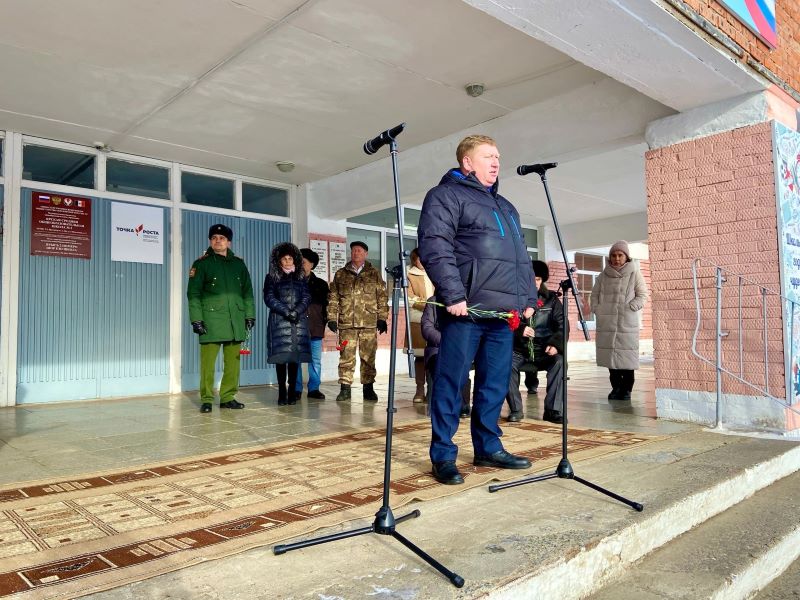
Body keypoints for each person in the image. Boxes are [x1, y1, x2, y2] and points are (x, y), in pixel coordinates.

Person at [417, 134, 537, 485]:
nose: (496, 162)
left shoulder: (507, 207)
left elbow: (520, 258)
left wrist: (528, 298)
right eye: (488, 156)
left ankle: (488, 447)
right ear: (467, 162)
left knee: (494, 384)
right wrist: (453, 294)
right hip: (464, 311)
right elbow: (434, 245)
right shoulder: (445, 196)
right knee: (451, 383)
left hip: (502, 315)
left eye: (498, 155)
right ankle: (443, 454)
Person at [187, 224, 255, 414]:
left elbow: (247, 292)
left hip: (236, 320)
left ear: (228, 242)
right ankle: (207, 399)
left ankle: (227, 397)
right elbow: (193, 294)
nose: (218, 241)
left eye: (222, 238)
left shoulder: (239, 264)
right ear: (210, 241)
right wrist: (196, 319)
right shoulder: (202, 264)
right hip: (211, 320)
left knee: (233, 363)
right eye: (215, 237)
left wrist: (249, 314)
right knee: (208, 364)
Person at [505, 260, 567, 424]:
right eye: (531, 278)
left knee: (560, 362)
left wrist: (555, 345)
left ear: (543, 280)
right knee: (505, 363)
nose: (535, 282)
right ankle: (516, 409)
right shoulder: (513, 299)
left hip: (544, 350)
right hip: (519, 350)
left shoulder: (552, 300)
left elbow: (562, 326)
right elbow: (503, 324)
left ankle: (553, 411)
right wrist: (519, 330)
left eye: (538, 279)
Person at [327, 241, 389, 402]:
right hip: (347, 323)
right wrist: (332, 318)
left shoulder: (374, 274)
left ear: (366, 254)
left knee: (368, 357)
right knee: (346, 357)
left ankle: (368, 389)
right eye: (354, 251)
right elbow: (333, 297)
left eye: (359, 251)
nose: (356, 253)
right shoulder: (341, 274)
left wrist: (382, 318)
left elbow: (382, 297)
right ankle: (345, 388)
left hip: (368, 323)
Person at [591, 240, 648, 401]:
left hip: (626, 322)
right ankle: (615, 388)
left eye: (620, 255)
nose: (617, 258)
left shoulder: (635, 274)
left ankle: (626, 390)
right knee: (611, 359)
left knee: (627, 360)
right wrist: (597, 309)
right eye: (614, 255)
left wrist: (630, 307)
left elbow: (643, 295)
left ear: (626, 257)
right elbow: (594, 295)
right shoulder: (603, 276)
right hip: (607, 322)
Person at [263, 242, 311, 405]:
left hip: (297, 323)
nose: (288, 261)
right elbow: (269, 297)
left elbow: (306, 297)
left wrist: (296, 311)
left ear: (295, 260)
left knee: (293, 359)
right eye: (284, 259)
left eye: (290, 258)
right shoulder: (271, 277)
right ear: (279, 261)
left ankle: (292, 393)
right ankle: (281, 392)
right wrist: (286, 311)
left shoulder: (301, 277)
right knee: (281, 359)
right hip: (280, 322)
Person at [420, 298, 472, 417]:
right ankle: (436, 406)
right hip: (438, 347)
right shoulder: (433, 302)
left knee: (461, 366)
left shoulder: (466, 301)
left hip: (460, 347)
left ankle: (463, 405)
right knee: (437, 364)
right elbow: (427, 328)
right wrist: (446, 341)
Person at [295, 248, 329, 400]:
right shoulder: (291, 282)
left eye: (303, 262)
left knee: (315, 360)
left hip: (315, 327)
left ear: (312, 264)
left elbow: (327, 306)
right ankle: (296, 389)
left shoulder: (321, 284)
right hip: (296, 328)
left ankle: (314, 388)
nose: (300, 265)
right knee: (295, 359)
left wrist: (325, 323)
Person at [407, 248, 435, 403]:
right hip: (417, 319)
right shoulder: (409, 274)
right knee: (419, 356)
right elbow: (410, 298)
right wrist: (429, 304)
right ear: (414, 260)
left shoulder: (434, 272)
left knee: (433, 355)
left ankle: (432, 389)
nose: (421, 262)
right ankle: (419, 389)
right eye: (418, 259)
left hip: (435, 319)